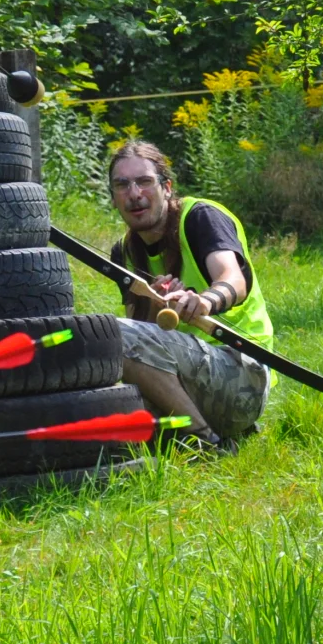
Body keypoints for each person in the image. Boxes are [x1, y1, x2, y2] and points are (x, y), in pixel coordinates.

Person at [103, 139, 274, 449]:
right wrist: (156, 305)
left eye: (144, 181)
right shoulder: (124, 252)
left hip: (241, 375)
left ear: (167, 187)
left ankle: (207, 444)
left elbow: (232, 278)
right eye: (122, 185)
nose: (135, 194)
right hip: (182, 381)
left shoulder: (199, 217)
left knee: (114, 334)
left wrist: (204, 301)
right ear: (113, 198)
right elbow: (139, 337)